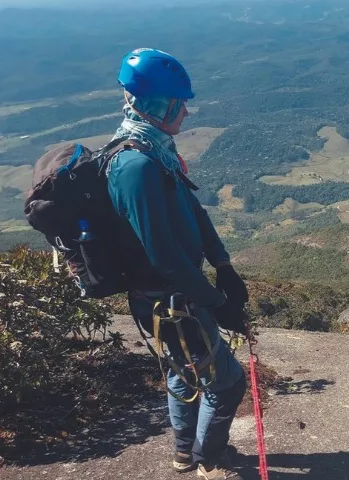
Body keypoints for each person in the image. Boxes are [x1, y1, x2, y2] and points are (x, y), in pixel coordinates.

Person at [107, 48, 249, 480]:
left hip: (176, 293)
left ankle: (185, 454)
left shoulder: (156, 152)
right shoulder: (135, 166)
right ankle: (209, 460)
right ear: (157, 105)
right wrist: (214, 301)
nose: (186, 111)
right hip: (170, 300)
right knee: (227, 384)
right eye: (178, 103)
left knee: (184, 377)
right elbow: (162, 254)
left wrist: (223, 264)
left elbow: (193, 212)